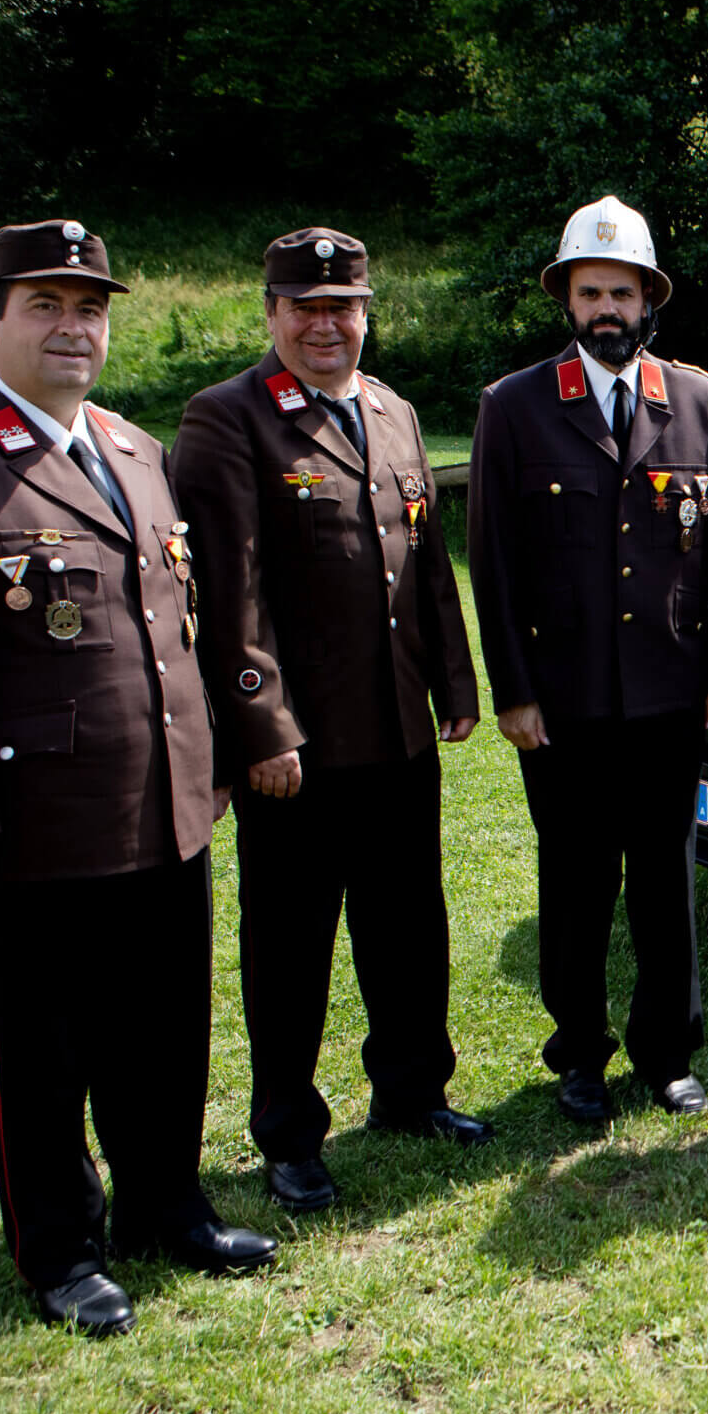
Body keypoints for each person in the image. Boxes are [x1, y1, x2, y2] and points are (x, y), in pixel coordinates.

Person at [0, 220, 274, 1336]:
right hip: (33, 825)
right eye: (45, 306)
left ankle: (167, 1205)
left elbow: (170, 625)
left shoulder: (130, 449)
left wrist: (207, 759)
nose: (73, 328)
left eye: (90, 308)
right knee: (44, 1043)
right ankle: (61, 1248)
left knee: (166, 1025)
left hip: (162, 804)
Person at [174, 227, 489, 1215]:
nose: (325, 323)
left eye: (343, 305)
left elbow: (427, 564)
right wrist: (262, 729)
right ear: (271, 314)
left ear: (366, 311)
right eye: (304, 307)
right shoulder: (228, 419)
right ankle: (288, 1133)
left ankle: (411, 1092)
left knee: (408, 923)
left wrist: (455, 681)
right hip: (300, 750)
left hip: (395, 727)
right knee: (292, 944)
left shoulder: (392, 412)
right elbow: (231, 592)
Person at [467, 195, 708, 1123]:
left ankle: (667, 1051)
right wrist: (512, 690)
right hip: (565, 700)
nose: (607, 310)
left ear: (648, 300)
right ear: (567, 299)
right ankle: (581, 1055)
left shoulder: (701, 402)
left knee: (667, 885)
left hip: (673, 696)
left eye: (622, 293)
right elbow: (494, 563)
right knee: (577, 883)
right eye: (590, 291)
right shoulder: (513, 408)